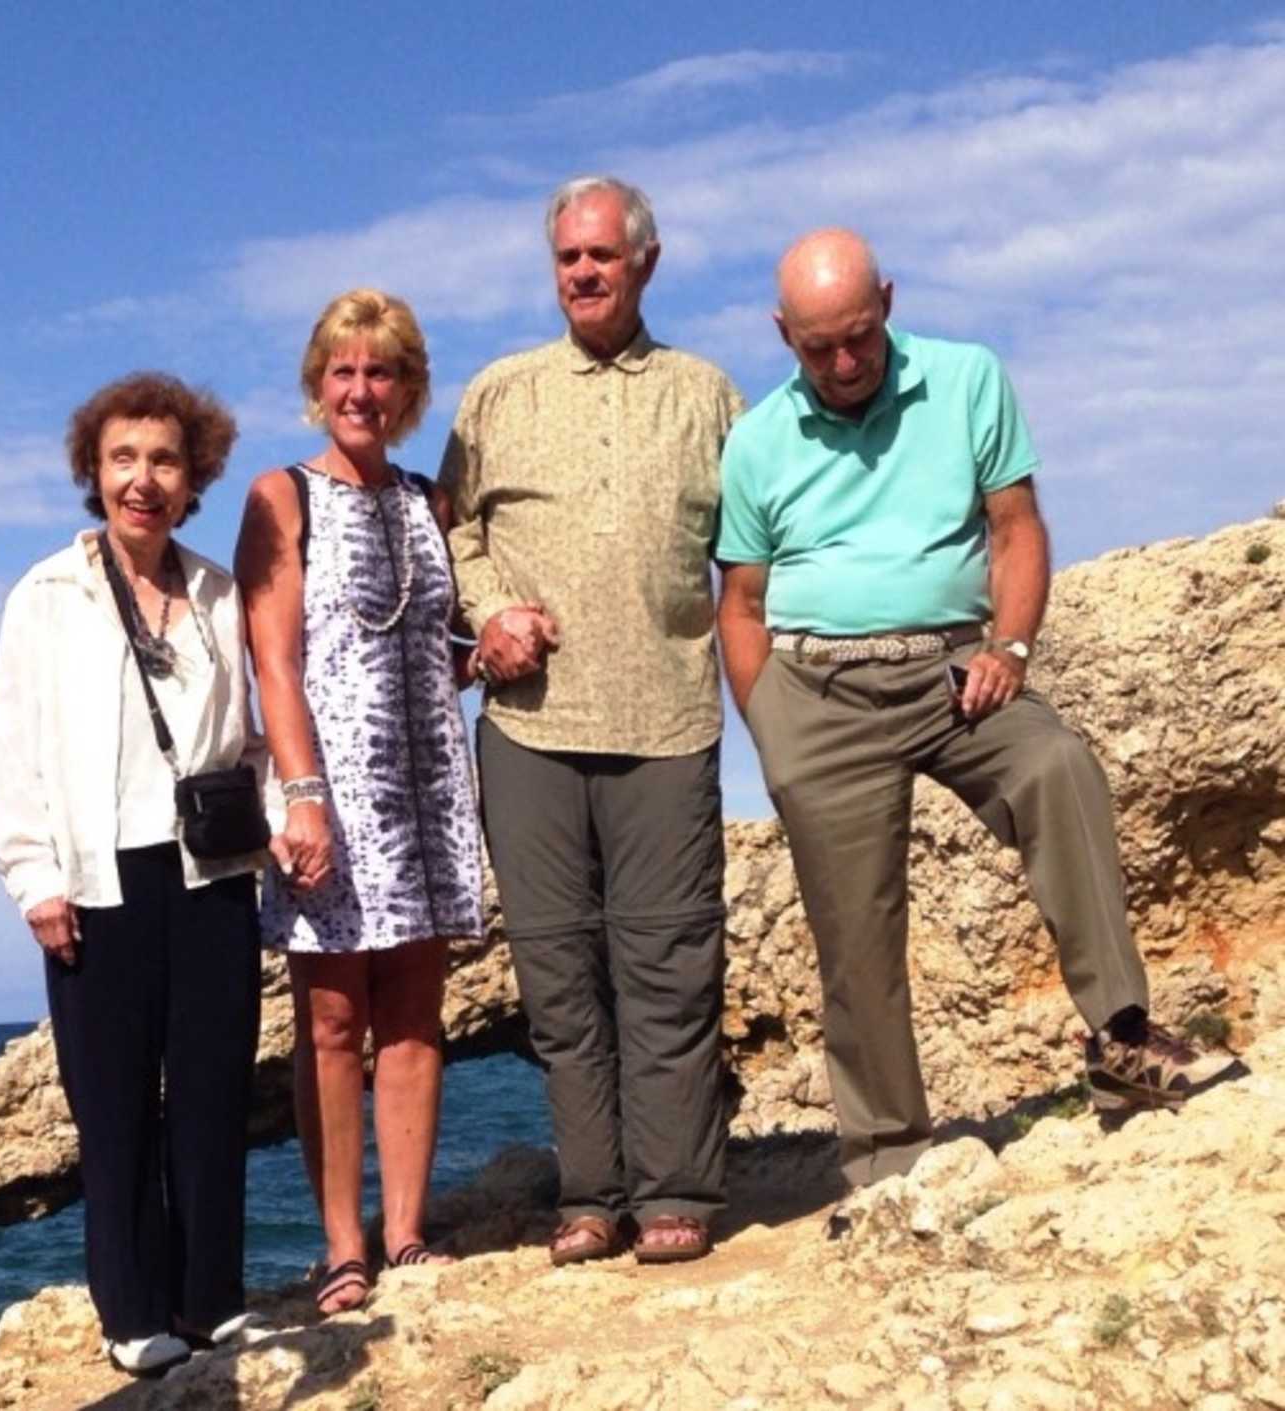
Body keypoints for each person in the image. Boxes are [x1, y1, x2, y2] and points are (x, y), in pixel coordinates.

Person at [715, 227, 1240, 1196]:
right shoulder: (755, 441)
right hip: (817, 692)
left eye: (860, 337)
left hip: (957, 668)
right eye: (818, 345)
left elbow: (1016, 526)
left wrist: (1011, 646)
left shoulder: (967, 379)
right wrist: (773, 730)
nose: (843, 362)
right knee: (854, 930)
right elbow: (741, 603)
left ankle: (1122, 1038)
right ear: (783, 335)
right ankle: (889, 1161)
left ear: (889, 302)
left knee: (1058, 768)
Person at [438, 176, 743, 1266]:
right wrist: (489, 611)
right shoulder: (499, 393)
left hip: (667, 713)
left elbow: (750, 554)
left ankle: (677, 1191)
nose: (583, 273)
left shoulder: (710, 394)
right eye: (567, 257)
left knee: (669, 964)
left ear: (646, 263)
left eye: (603, 256)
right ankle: (590, 1195)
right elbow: (451, 533)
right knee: (560, 975)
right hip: (529, 724)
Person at [0, 373, 267, 1376]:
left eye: (162, 461)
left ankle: (209, 1300)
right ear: (93, 472)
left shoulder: (222, 597)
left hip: (211, 876)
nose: (142, 480)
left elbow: (253, 734)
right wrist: (36, 880)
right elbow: (14, 749)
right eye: (123, 459)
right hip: (96, 884)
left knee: (208, 1094)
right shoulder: (45, 596)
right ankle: (133, 1310)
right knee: (111, 1106)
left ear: (195, 477)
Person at [236, 288, 483, 1315]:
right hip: (330, 791)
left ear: (410, 389)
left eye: (380, 372)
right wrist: (302, 800)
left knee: (418, 1015)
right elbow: (275, 665)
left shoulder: (430, 502)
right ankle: (345, 1246)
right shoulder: (280, 497)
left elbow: (444, 647)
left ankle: (409, 1232)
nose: (360, 390)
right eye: (342, 371)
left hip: (429, 788)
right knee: (333, 1021)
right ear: (316, 384)